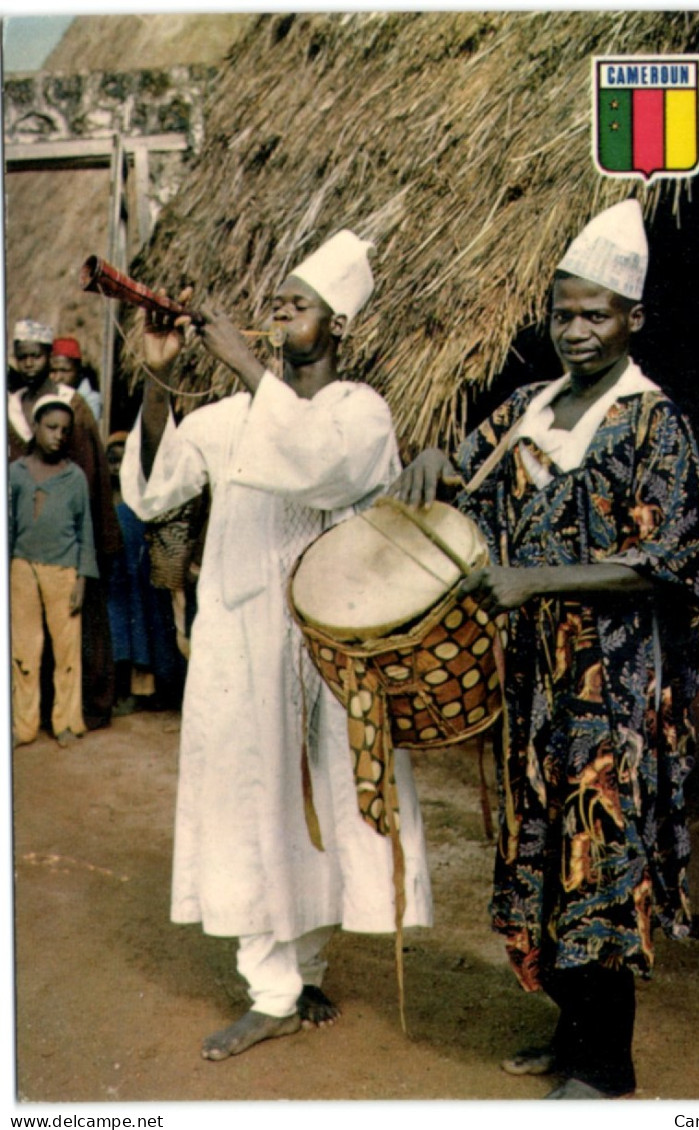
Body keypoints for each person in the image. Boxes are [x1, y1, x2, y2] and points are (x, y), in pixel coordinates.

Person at [391, 200, 699, 1099]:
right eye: (563, 313)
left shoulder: (653, 422)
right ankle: (570, 1030)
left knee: (600, 852)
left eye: (596, 315)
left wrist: (534, 583)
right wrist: (434, 460)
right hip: (533, 679)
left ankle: (608, 1067)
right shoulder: (526, 408)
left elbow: (671, 559)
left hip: (609, 686)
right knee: (539, 846)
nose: (576, 332)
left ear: (633, 320)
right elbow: (467, 481)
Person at [120, 230, 433, 1061]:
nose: (281, 311)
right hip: (241, 642)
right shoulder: (229, 413)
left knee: (325, 810)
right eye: (279, 301)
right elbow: (157, 489)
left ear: (339, 326)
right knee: (248, 805)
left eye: (302, 304)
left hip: (328, 646)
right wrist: (156, 380)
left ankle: (305, 965)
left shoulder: (359, 412)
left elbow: (318, 466)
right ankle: (271, 990)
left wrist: (246, 369)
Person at [8, 319, 121, 731]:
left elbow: (90, 476)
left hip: (69, 537)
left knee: (75, 628)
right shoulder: (14, 402)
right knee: (27, 637)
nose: (31, 363)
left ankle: (78, 712)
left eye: (38, 355)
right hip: (25, 539)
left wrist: (89, 547)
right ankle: (28, 717)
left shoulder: (69, 403)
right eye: (23, 356)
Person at [10, 395, 99, 748]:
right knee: (24, 651)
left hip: (63, 571)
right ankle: (24, 725)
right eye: (51, 428)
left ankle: (65, 721)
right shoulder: (15, 473)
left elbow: (85, 532)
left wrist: (81, 578)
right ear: (34, 428)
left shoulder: (74, 478)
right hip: (22, 569)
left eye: (65, 430)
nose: (58, 435)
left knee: (66, 652)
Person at [105, 432, 184, 714]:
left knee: (144, 632)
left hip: (140, 579)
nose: (115, 466)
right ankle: (120, 691)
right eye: (110, 459)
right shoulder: (104, 500)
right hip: (116, 580)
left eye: (121, 459)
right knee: (118, 633)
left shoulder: (142, 499)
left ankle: (147, 693)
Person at [50, 336, 103, 422]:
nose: (58, 377)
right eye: (53, 371)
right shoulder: (48, 394)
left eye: (64, 371)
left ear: (79, 372)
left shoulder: (91, 400)